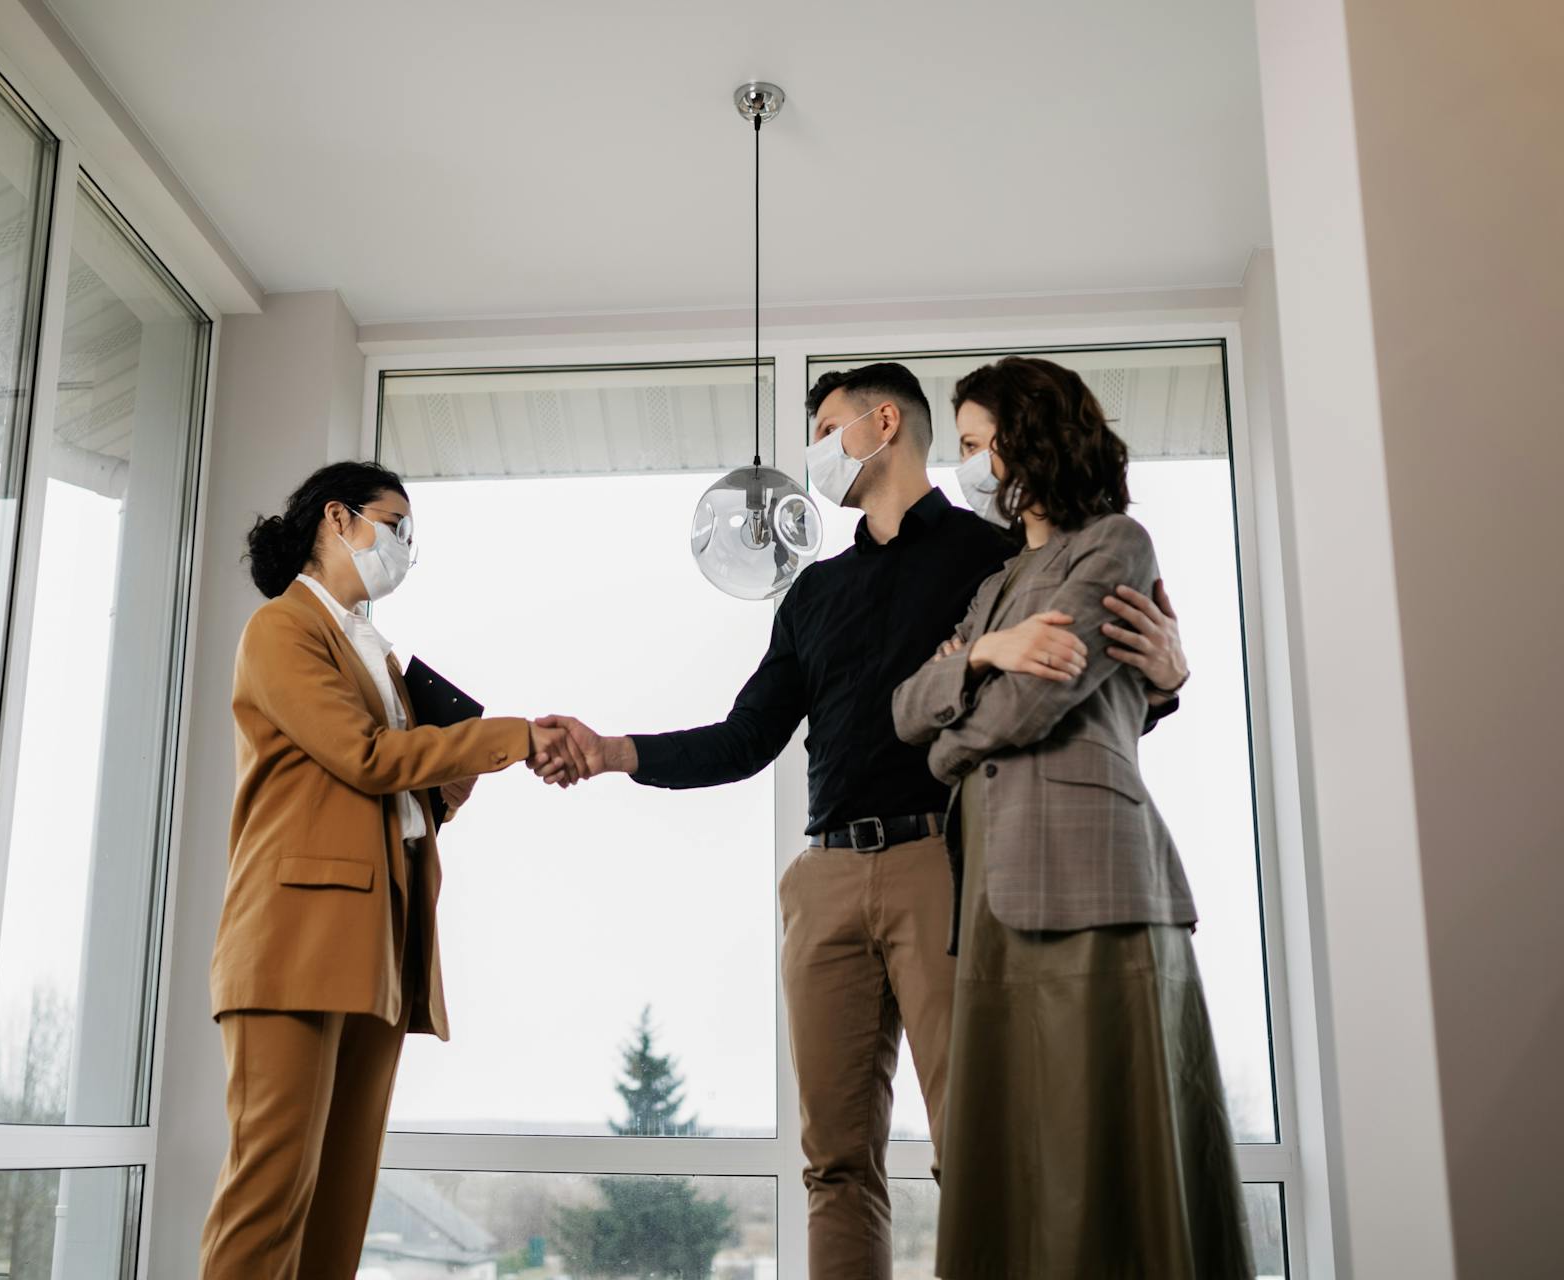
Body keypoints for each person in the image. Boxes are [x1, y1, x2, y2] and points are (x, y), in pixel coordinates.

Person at [534, 362, 1188, 1280]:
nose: (813, 454)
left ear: (884, 424)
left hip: (949, 868)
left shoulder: (997, 558)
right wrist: (613, 751)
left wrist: (1166, 680)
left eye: (824, 427)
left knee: (983, 1147)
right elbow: (747, 736)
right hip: (825, 882)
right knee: (834, 1162)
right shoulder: (810, 595)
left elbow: (1081, 684)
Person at [891, 356, 1251, 1278]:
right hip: (996, 889)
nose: (966, 465)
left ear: (1029, 439)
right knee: (1017, 1149)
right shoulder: (995, 586)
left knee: (1109, 1139)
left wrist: (957, 710)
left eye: (974, 444)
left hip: (1094, 876)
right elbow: (903, 710)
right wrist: (983, 657)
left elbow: (1027, 711)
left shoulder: (1116, 545)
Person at [198, 461, 574, 1280]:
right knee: (267, 1198)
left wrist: (447, 792)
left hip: (376, 944)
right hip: (294, 943)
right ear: (338, 518)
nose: (405, 546)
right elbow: (364, 758)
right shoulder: (283, 629)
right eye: (395, 524)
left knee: (339, 1205)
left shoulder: (373, 650)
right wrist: (510, 738)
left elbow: (385, 799)